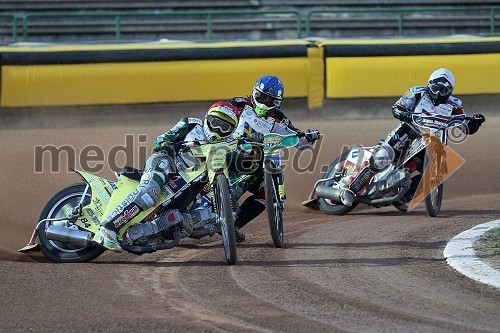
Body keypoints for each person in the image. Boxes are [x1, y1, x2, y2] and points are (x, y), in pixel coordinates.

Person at [93, 101, 240, 252]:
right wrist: (168, 144)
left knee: (186, 224)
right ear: (207, 118)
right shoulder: (191, 124)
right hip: (166, 162)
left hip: (187, 186)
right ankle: (107, 228)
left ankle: (145, 234)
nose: (217, 129)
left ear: (231, 130)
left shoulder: (228, 145)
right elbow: (160, 139)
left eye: (224, 127)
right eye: (215, 123)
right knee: (149, 194)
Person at [339, 68, 486, 211]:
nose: (438, 93)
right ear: (430, 85)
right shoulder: (417, 92)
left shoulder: (455, 104)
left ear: (450, 90)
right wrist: (407, 115)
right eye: (436, 88)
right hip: (409, 131)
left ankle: (405, 196)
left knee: (433, 168)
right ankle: (351, 189)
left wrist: (475, 122)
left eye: (443, 90)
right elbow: (396, 108)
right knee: (383, 157)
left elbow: (465, 126)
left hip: (433, 138)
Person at [227, 74, 321, 241]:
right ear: (254, 93)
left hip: (261, 164)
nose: (265, 104)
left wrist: (309, 137)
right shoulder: (238, 105)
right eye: (262, 98)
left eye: (271, 101)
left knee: (266, 194)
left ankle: (234, 225)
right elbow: (218, 119)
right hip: (231, 157)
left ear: (277, 103)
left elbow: (298, 139)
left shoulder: (278, 118)